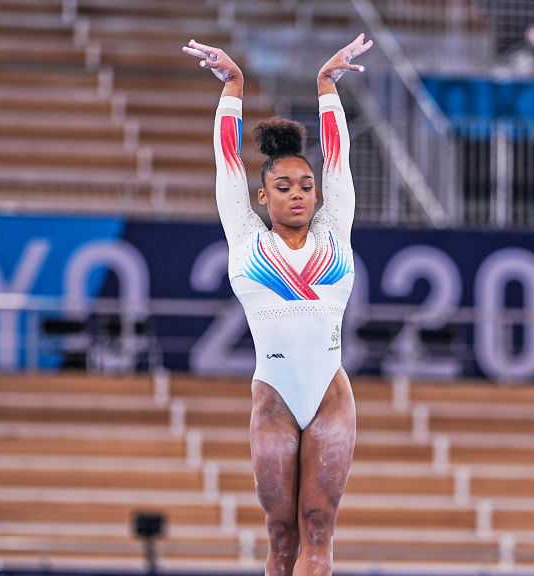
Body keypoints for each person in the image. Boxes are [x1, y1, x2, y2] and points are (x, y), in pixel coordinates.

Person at [182, 34, 373, 575]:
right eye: (284, 185)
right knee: (281, 535)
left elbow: (339, 160)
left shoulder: (335, 229)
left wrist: (327, 88)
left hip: (330, 394)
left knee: (318, 526)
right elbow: (225, 163)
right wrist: (233, 90)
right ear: (262, 196)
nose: (298, 193)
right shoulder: (246, 238)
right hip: (273, 397)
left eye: (307, 186)